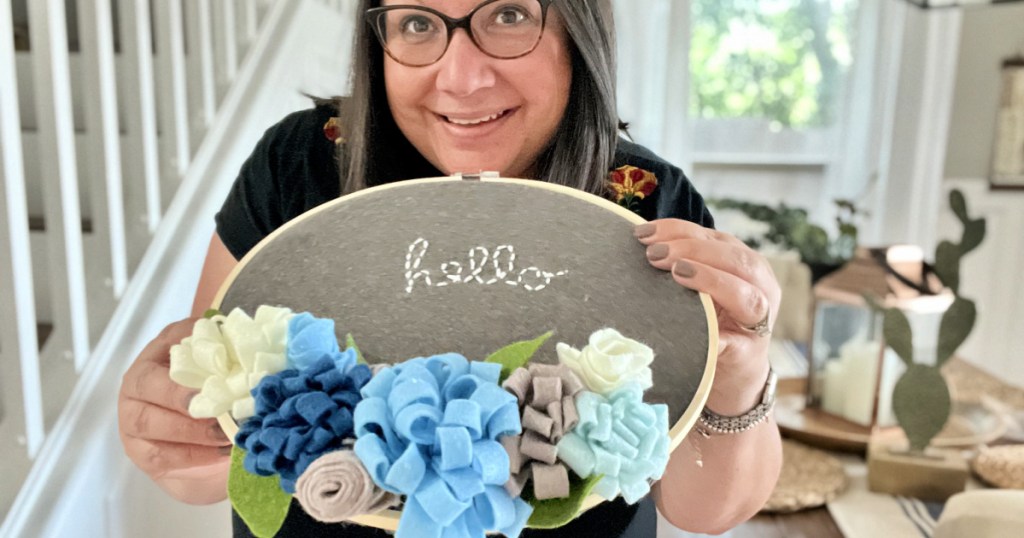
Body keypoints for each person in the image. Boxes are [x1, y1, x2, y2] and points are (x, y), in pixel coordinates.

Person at [117, 0, 783, 535]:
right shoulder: (300, 167)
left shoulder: (647, 206)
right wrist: (173, 431)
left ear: (579, 28)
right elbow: (215, 463)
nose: (461, 79)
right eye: (416, 23)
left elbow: (706, 511)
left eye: (509, 16)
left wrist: (741, 371)